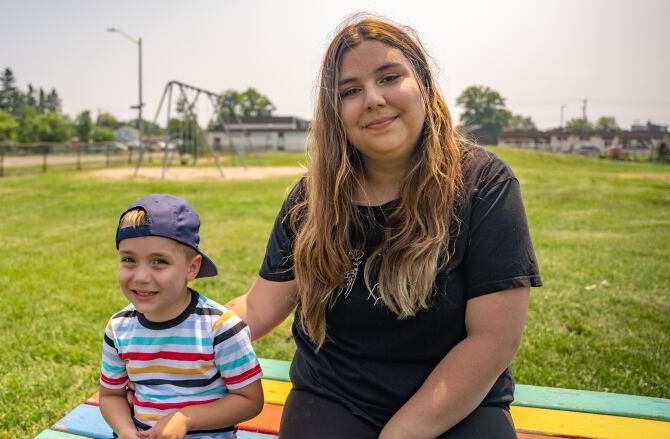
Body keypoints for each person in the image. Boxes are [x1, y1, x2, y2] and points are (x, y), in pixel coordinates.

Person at [225, 15, 542, 439]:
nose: (372, 99)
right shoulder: (311, 199)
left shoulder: (484, 185)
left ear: (424, 84)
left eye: (389, 77)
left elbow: (492, 342)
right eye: (350, 91)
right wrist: (180, 330)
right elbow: (260, 306)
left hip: (458, 404)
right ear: (335, 112)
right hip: (334, 397)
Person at [99, 194, 264, 439]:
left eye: (159, 261)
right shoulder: (119, 328)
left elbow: (250, 400)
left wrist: (186, 419)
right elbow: (111, 395)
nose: (141, 276)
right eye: (129, 260)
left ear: (192, 268)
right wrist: (124, 429)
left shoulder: (220, 328)